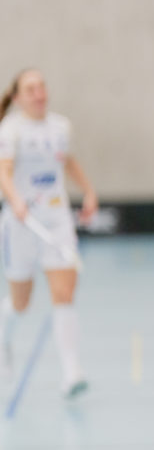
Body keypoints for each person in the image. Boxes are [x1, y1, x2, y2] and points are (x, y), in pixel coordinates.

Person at [0, 69, 97, 397]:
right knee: (21, 303)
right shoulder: (10, 130)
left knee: (64, 294)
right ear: (17, 97)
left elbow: (68, 162)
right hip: (22, 224)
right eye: (30, 89)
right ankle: (4, 339)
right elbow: (4, 171)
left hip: (56, 221)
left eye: (41, 86)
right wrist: (16, 201)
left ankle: (72, 372)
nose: (39, 93)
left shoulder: (60, 126)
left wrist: (89, 192)